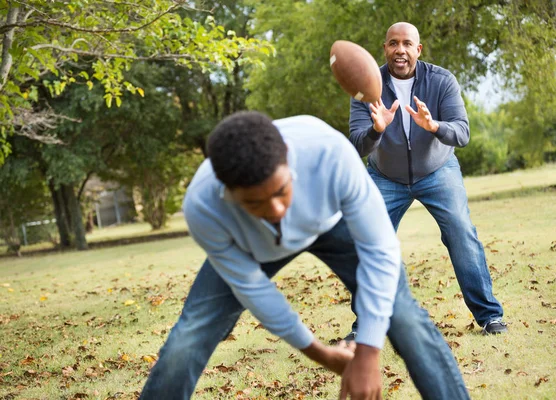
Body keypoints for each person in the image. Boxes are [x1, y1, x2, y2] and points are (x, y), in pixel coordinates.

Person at [139, 111, 470, 400]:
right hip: (252, 245)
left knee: (403, 314)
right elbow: (254, 289)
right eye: (255, 203)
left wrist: (368, 352)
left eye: (281, 191)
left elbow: (380, 252)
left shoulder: (328, 152)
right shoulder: (203, 206)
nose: (276, 210)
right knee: (188, 337)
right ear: (228, 193)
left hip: (331, 224)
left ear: (289, 160)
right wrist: (321, 353)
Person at [347, 22, 507, 339]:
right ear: (385, 48)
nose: (400, 50)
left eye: (407, 43)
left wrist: (434, 127)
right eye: (393, 43)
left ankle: (489, 315)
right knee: (368, 243)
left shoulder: (441, 80)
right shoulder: (367, 85)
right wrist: (376, 130)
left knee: (461, 232)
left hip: (437, 170)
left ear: (418, 49)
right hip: (385, 176)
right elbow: (356, 143)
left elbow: (462, 133)